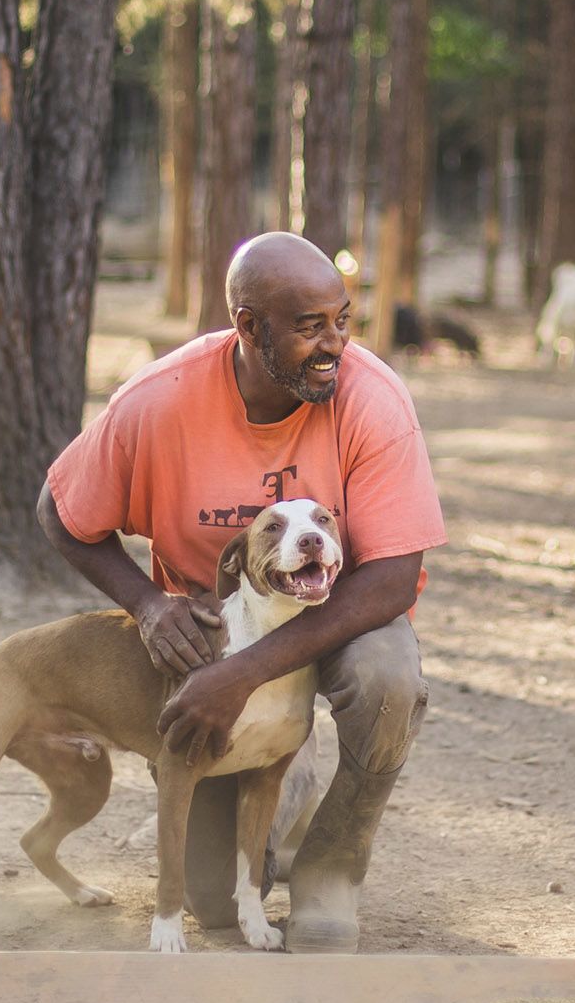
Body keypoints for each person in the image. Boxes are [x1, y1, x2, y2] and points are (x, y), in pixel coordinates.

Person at [41, 232, 444, 952]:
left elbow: (391, 579)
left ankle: (328, 875)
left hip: (339, 618)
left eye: (342, 319)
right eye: (309, 326)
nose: (334, 344)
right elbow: (60, 512)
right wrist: (148, 603)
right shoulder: (159, 401)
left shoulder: (372, 398)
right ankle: (280, 766)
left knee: (389, 678)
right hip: (217, 628)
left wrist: (243, 676)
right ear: (249, 326)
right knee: (212, 904)